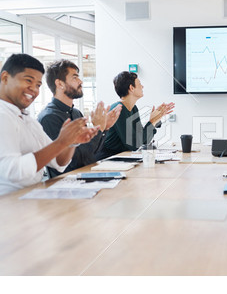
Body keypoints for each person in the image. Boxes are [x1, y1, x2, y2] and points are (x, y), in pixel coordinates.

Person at [0, 54, 98, 196]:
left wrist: (71, 143)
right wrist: (61, 142)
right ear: (5, 78)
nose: (34, 89)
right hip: (9, 204)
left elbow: (59, 163)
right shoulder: (3, 115)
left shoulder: (28, 120)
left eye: (38, 85)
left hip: (32, 197)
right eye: (28, 80)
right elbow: (13, 172)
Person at [38, 59, 122, 177]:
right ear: (60, 84)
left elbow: (92, 153)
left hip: (85, 176)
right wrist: (100, 129)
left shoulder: (76, 113)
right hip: (66, 184)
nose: (80, 81)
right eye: (74, 77)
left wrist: (104, 128)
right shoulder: (49, 117)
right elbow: (74, 161)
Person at [96, 71, 175, 159]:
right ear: (131, 88)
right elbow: (134, 145)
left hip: (123, 157)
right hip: (108, 159)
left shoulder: (133, 108)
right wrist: (152, 122)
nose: (142, 87)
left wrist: (155, 121)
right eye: (140, 84)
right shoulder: (119, 110)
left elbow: (142, 141)